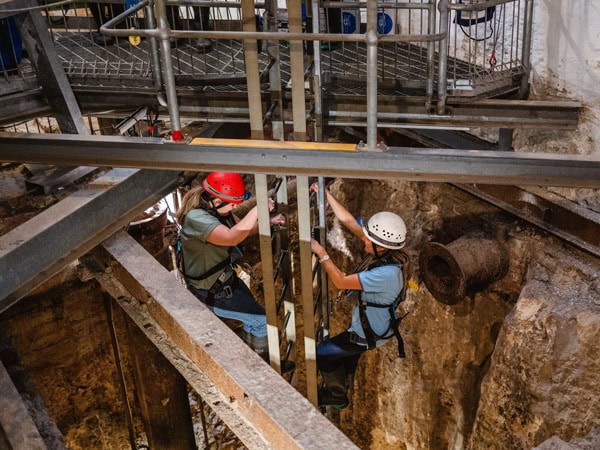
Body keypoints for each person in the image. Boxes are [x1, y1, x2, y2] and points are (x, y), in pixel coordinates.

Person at [176, 172, 293, 372]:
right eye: (232, 203)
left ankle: (254, 361)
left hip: (224, 281)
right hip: (209, 291)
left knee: (254, 319)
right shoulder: (197, 218)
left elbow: (241, 229)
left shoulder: (220, 211)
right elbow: (231, 238)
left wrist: (268, 222)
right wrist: (257, 211)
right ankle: (263, 372)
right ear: (215, 199)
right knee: (260, 321)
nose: (235, 207)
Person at [310, 183, 410, 408]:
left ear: (380, 247)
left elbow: (341, 281)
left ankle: (337, 396)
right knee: (345, 357)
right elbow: (349, 222)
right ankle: (342, 388)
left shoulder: (386, 274)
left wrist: (321, 252)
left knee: (323, 353)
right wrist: (326, 195)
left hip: (368, 333)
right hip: (370, 326)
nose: (363, 239)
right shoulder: (390, 253)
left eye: (367, 240)